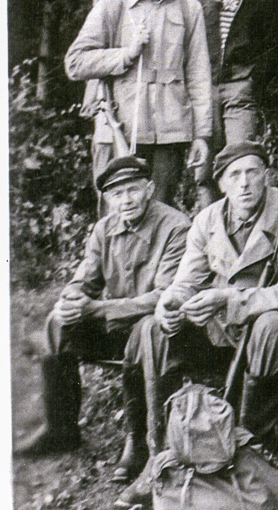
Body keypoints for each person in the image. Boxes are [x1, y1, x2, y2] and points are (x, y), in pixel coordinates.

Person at [118, 141, 278, 507]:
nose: (244, 183)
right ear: (221, 183)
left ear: (266, 175)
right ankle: (160, 455)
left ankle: (253, 450)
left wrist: (226, 299)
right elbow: (186, 281)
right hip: (226, 329)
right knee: (152, 328)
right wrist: (170, 304)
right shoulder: (207, 220)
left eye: (252, 173)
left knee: (270, 325)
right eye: (234, 175)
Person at [15, 155, 190, 487]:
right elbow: (84, 280)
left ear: (150, 189)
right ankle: (61, 429)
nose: (125, 201)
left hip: (157, 331)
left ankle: (138, 440)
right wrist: (70, 300)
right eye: (117, 194)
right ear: (108, 198)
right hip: (116, 325)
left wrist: (94, 308)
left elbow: (163, 297)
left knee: (144, 330)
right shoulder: (103, 229)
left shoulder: (176, 227)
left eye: (132, 190)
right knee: (57, 322)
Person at [65, 0, 212, 206]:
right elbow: (75, 63)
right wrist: (126, 54)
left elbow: (199, 75)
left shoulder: (189, 8)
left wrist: (201, 135)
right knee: (117, 214)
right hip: (120, 128)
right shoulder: (113, 6)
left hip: (170, 132)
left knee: (161, 213)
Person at [193, 0, 269, 210]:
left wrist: (254, 80)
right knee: (204, 167)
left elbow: (268, 46)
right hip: (205, 87)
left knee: (241, 157)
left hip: (240, 85)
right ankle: (209, 223)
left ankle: (243, 220)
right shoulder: (199, 0)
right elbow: (192, 39)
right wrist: (213, 3)